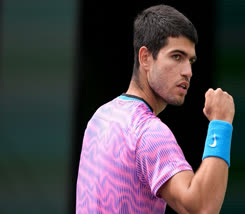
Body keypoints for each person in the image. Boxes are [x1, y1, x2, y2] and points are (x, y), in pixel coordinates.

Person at [76, 4, 235, 214]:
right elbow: (202, 208)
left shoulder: (101, 117)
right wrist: (221, 124)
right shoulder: (148, 133)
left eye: (191, 60)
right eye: (177, 56)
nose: (188, 72)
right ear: (145, 58)